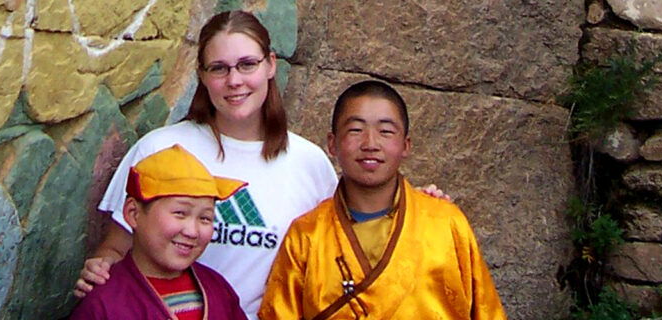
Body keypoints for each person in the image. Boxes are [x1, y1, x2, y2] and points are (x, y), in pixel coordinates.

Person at [74, 10, 340, 319]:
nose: (234, 80)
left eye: (247, 64)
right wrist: (100, 270)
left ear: (270, 65)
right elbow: (116, 251)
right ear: (201, 74)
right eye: (219, 68)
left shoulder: (310, 163)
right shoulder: (159, 149)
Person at [258, 80, 505, 320]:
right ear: (332, 144)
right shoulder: (306, 235)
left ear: (406, 145)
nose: (370, 144)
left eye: (386, 132)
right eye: (355, 130)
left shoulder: (446, 224)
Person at [69, 144, 249, 320]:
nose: (192, 231)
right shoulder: (104, 301)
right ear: (133, 213)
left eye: (205, 218)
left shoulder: (217, 288)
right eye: (180, 213)